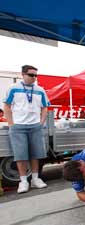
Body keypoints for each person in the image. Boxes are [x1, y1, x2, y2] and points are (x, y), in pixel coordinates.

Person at [3, 65, 50, 193]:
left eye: (36, 75)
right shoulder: (13, 88)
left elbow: (45, 106)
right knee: (21, 155)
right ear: (23, 74)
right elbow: (6, 106)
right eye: (31, 75)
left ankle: (35, 179)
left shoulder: (40, 90)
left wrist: (41, 122)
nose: (34, 78)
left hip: (35, 125)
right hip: (18, 126)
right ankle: (23, 181)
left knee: (35, 154)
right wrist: (11, 123)